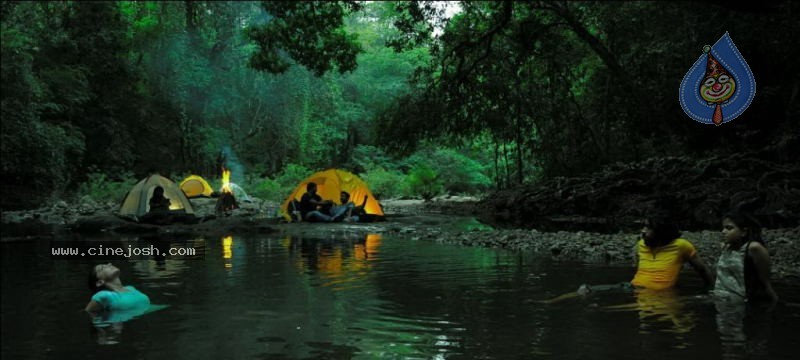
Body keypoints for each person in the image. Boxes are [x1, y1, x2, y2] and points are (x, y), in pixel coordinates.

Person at [543, 213, 714, 304]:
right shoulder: (641, 244)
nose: (643, 231)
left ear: (661, 231)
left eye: (648, 227)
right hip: (631, 288)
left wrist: (711, 291)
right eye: (643, 226)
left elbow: (702, 269)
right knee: (585, 289)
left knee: (615, 309)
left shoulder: (681, 246)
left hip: (655, 296)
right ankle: (551, 302)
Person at [713, 211, 778, 303]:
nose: (723, 232)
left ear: (743, 232)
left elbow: (766, 284)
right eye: (723, 228)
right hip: (720, 300)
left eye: (729, 228)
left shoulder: (754, 248)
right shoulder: (726, 247)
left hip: (740, 305)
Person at [85, 263, 151, 313]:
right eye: (102, 268)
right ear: (100, 282)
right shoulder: (103, 295)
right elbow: (87, 313)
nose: (110, 264)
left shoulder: (131, 288)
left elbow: (146, 308)